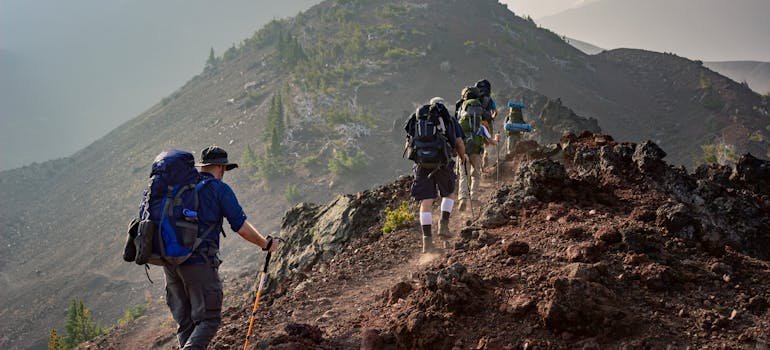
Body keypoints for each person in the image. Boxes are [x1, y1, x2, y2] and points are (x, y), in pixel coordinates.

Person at [164, 146, 279, 349]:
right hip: (198, 262)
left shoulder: (182, 186)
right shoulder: (218, 189)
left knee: (186, 323)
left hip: (170, 261)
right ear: (220, 167)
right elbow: (241, 228)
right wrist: (266, 244)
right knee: (209, 319)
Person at [405, 100, 467, 253]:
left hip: (422, 165)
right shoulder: (448, 120)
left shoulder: (417, 120)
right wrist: (463, 159)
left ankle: (427, 241)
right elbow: (459, 143)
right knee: (449, 194)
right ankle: (443, 224)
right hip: (442, 163)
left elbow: (409, 143)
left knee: (426, 202)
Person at [456, 87, 499, 212]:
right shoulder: (481, 127)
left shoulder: (460, 115)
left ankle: (462, 198)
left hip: (463, 150)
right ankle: (474, 197)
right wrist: (496, 138)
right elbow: (492, 142)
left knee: (464, 174)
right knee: (476, 174)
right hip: (477, 149)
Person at [475, 79, 498, 169]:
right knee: (488, 141)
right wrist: (492, 117)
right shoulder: (489, 99)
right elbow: (495, 111)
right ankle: (485, 155)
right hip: (487, 123)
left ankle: (478, 159)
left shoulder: (474, 99)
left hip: (476, 123)